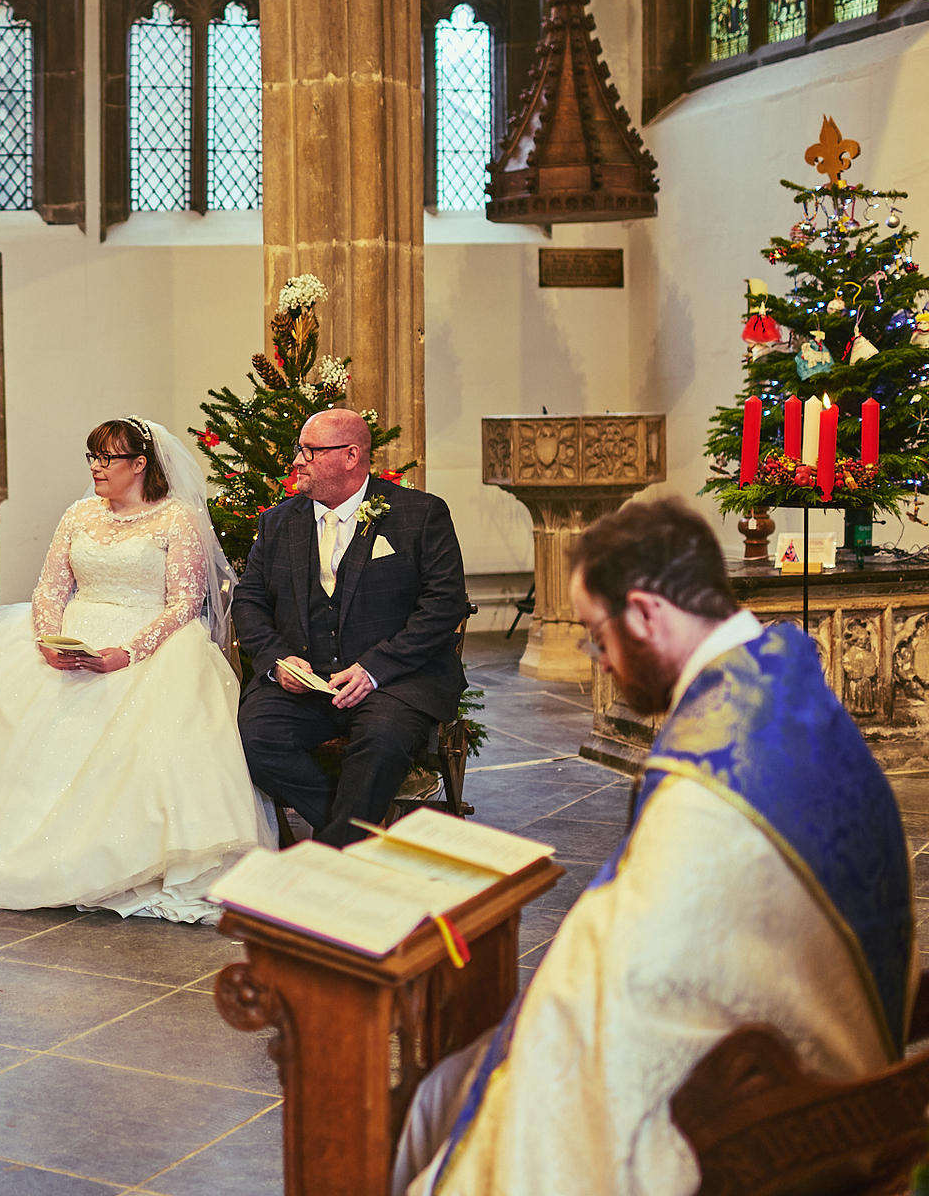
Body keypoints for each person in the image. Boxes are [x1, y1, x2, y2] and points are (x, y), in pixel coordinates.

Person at [391, 499, 913, 1195]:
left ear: (644, 613)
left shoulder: (711, 788)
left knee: (448, 1101)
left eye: (596, 636)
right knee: (452, 1086)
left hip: (780, 1120)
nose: (600, 660)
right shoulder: (782, 687)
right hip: (850, 1054)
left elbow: (603, 995)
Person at [0, 417, 272, 922]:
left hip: (149, 642)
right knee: (4, 705)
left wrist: (126, 653)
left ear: (140, 464)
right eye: (93, 457)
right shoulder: (79, 514)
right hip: (74, 633)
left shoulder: (176, 519)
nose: (96, 467)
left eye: (108, 458)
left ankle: (124, 857)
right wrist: (47, 640)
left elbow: (184, 603)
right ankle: (2, 847)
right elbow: (49, 588)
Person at [233, 409, 467, 846]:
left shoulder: (420, 514)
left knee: (381, 741)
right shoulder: (279, 521)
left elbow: (443, 605)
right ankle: (355, 839)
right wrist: (277, 660)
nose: (297, 461)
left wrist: (375, 668)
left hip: (393, 681)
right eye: (299, 450)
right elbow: (249, 600)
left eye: (310, 451)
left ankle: (332, 854)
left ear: (351, 456)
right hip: (307, 684)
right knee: (256, 738)